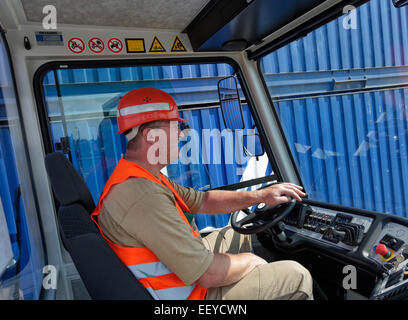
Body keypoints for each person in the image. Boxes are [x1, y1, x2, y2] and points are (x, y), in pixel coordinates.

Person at [91, 87, 312, 300]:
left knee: (238, 233)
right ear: (151, 136)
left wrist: (261, 196)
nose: (181, 134)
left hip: (182, 275)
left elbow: (204, 200)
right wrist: (251, 261)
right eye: (175, 127)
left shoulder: (144, 177)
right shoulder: (142, 196)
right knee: (295, 276)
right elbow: (208, 275)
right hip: (193, 295)